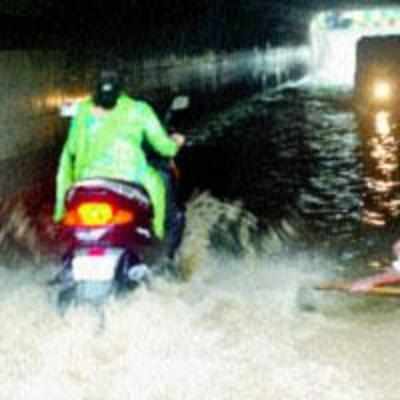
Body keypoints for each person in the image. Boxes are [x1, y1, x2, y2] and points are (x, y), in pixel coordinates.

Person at [53, 66, 185, 240]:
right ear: (122, 87)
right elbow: (163, 147)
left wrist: (59, 211)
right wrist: (176, 142)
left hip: (88, 180)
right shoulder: (139, 109)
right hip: (130, 177)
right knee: (160, 183)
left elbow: (71, 149)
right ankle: (158, 238)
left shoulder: (83, 110)